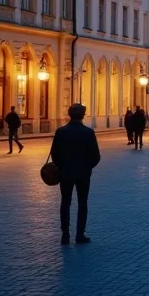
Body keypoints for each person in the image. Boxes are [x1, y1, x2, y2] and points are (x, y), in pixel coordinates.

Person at [51, 103, 101, 245]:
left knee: (65, 202)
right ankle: (80, 234)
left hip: (65, 173)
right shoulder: (88, 132)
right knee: (82, 203)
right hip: (83, 174)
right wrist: (87, 167)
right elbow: (96, 156)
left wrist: (61, 167)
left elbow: (54, 154)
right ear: (83, 116)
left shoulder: (60, 132)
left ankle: (65, 234)